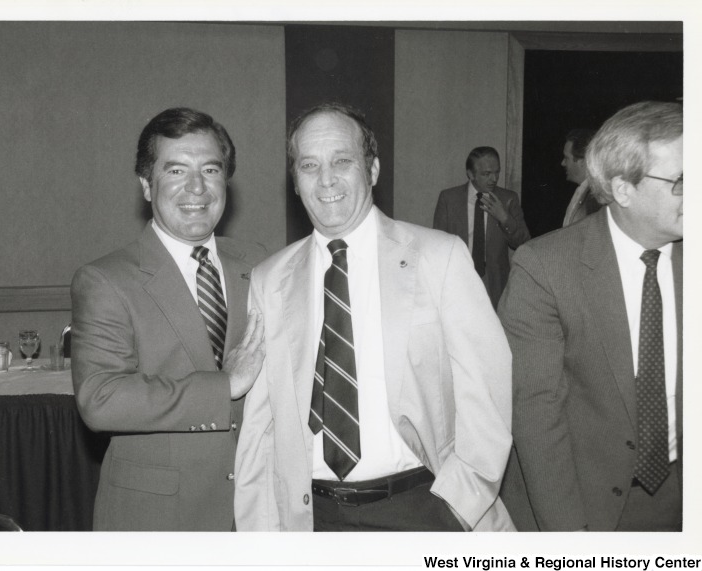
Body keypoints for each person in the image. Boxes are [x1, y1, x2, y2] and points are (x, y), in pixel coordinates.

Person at [234, 103, 514, 532]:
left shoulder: (439, 258)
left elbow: (488, 391)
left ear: (374, 169)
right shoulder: (269, 279)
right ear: (295, 180)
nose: (325, 179)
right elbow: (260, 428)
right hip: (311, 521)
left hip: (423, 509)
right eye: (309, 165)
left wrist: (458, 505)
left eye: (341, 161)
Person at [71, 107, 266, 531]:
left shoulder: (263, 264)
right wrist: (225, 386)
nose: (197, 187)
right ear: (146, 184)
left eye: (211, 170)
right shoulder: (106, 279)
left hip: (259, 515)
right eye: (176, 170)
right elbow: (100, 400)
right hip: (157, 522)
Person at [498, 101, 683, 531]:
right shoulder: (544, 267)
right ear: (623, 189)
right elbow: (535, 415)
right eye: (681, 181)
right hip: (581, 504)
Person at [433, 147, 530, 309]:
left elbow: (523, 242)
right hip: (458, 279)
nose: (494, 179)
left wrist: (504, 218)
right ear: (471, 174)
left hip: (494, 283)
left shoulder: (508, 199)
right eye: (486, 174)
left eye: (496, 172)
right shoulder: (449, 199)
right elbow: (438, 244)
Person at [561, 128, 602, 227]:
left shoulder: (596, 199)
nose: (563, 163)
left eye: (567, 158)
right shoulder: (585, 192)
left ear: (583, 161)